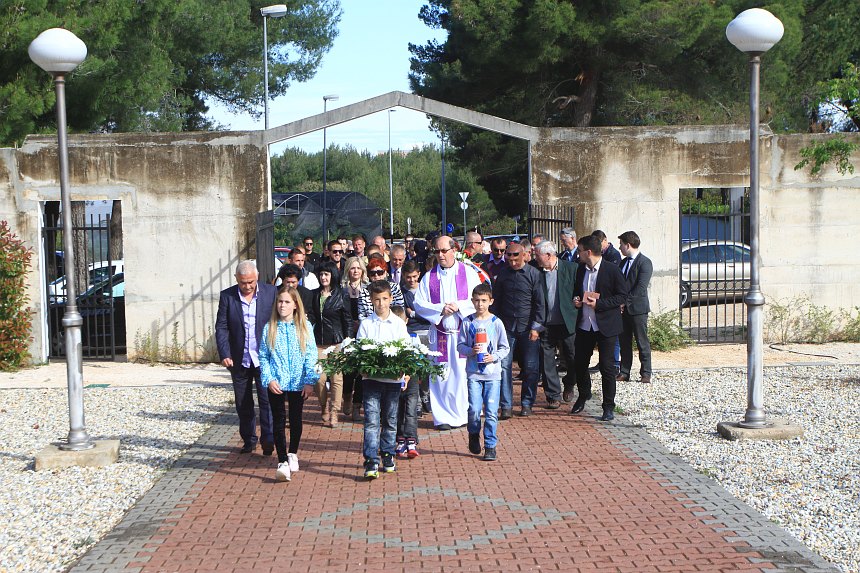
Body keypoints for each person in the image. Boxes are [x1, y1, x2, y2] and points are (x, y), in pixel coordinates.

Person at [413, 235, 483, 430]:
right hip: (441, 334)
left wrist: (459, 306)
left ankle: (464, 415)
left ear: (454, 251)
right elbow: (419, 303)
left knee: (462, 374)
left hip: (462, 334)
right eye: (437, 251)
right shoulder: (429, 277)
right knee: (442, 375)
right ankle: (443, 417)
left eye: (444, 251)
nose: (440, 255)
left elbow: (479, 298)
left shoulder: (468, 273)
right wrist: (440, 310)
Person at [215, 260, 276, 455]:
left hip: (264, 358)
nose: (248, 286)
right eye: (243, 283)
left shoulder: (270, 293)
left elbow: (278, 322)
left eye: (250, 282)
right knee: (243, 402)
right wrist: (224, 353)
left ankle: (269, 439)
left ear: (257, 277)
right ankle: (249, 440)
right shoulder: (227, 296)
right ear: (236, 280)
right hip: (239, 358)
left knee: (267, 400)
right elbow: (222, 326)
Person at [258, 286, 318, 482]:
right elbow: (264, 357)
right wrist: (268, 379)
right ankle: (282, 460)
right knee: (278, 419)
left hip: (297, 381)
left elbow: (311, 355)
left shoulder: (304, 327)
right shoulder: (270, 327)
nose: (282, 305)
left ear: (295, 305)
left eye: (286, 302)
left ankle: (293, 452)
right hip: (277, 380)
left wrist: (309, 381)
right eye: (280, 302)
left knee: (295, 418)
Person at [571, 235, 629, 422]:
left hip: (606, 325)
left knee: (607, 367)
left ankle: (608, 406)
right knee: (579, 363)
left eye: (579, 250)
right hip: (585, 324)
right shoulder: (581, 270)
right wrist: (577, 300)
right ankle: (584, 394)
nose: (577, 254)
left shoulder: (612, 270)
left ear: (588, 252)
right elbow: (576, 292)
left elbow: (622, 296)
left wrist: (600, 303)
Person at [358, 281, 411, 479]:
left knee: (390, 418)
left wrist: (404, 371)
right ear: (371, 301)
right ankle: (371, 459)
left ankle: (387, 454)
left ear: (390, 299)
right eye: (377, 299)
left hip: (393, 381)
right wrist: (364, 366)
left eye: (385, 299)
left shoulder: (398, 324)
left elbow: (405, 350)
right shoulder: (366, 324)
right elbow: (360, 350)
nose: (381, 303)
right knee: (371, 420)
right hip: (371, 379)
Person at [491, 241, 545, 417]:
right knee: (504, 366)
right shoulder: (503, 274)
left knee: (530, 367)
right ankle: (506, 406)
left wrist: (536, 327)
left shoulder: (534, 274)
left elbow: (540, 304)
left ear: (524, 255)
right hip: (506, 326)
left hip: (528, 327)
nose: (512, 260)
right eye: (509, 256)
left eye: (516, 256)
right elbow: (496, 300)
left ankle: (527, 403)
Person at [458, 283, 509, 461]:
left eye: (484, 301)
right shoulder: (467, 321)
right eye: (477, 300)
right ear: (472, 301)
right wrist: (470, 351)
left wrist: (493, 357)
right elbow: (460, 346)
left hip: (492, 375)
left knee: (491, 412)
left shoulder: (496, 323)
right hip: (474, 373)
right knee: (474, 409)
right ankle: (473, 433)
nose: (480, 304)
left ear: (491, 301)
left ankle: (490, 446)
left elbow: (505, 347)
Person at [533, 240, 579, 403]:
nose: (535, 258)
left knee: (573, 357)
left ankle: (569, 383)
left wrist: (577, 302)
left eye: (537, 255)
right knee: (546, 360)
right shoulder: (536, 271)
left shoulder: (571, 268)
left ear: (548, 255)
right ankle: (553, 395)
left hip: (567, 322)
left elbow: (579, 290)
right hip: (546, 323)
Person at [310, 261, 353, 427]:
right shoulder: (315, 295)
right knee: (319, 378)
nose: (323, 277)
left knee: (336, 378)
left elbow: (347, 320)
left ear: (332, 275)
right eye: (321, 274)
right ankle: (323, 406)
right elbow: (313, 316)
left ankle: (335, 411)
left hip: (337, 341)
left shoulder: (342, 295)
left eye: (326, 274)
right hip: (319, 341)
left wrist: (348, 341)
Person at [617, 231, 653, 384]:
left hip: (637, 309)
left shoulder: (644, 262)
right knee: (624, 342)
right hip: (623, 310)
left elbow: (640, 287)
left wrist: (625, 302)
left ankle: (646, 372)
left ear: (628, 245)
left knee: (641, 341)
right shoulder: (623, 262)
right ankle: (624, 371)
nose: (619, 248)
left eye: (621, 245)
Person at [390, 306, 421, 459]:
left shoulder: (413, 337)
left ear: (406, 321)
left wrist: (410, 374)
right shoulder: (389, 339)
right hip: (395, 379)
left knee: (411, 410)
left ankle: (411, 440)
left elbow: (418, 358)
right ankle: (400, 439)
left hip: (411, 379)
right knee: (397, 410)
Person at [402, 260, 432, 416]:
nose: (412, 280)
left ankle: (425, 394)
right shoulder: (402, 292)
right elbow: (402, 314)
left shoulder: (425, 289)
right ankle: (418, 402)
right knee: (416, 367)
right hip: (412, 332)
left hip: (427, 331)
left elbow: (431, 313)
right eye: (408, 277)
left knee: (427, 367)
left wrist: (413, 313)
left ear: (419, 275)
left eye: (414, 276)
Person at [342, 256, 368, 421]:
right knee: (348, 370)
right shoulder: (342, 289)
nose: (356, 271)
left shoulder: (367, 289)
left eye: (358, 268)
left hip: (363, 332)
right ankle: (347, 396)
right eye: (352, 268)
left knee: (360, 371)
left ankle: (357, 405)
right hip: (347, 332)